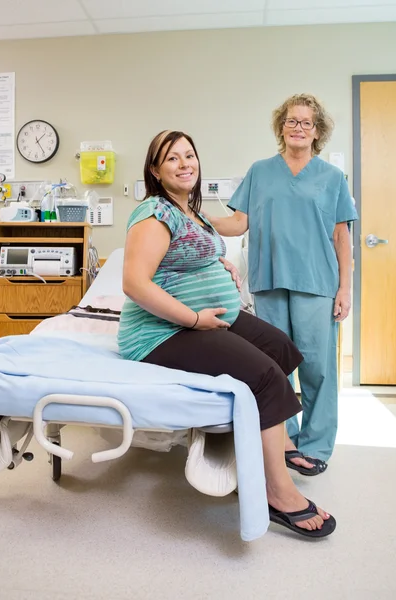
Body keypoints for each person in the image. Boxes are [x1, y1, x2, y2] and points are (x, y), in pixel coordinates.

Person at [118, 129, 336, 538]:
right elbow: (135, 283)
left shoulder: (190, 210)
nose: (185, 164)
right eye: (172, 159)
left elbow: (192, 253)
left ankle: (279, 445)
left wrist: (219, 264)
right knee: (266, 375)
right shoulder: (154, 214)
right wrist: (194, 319)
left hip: (212, 315)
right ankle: (277, 492)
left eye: (189, 155)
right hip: (163, 331)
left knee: (281, 348)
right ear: (155, 170)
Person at [207, 94, 358, 474]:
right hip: (269, 279)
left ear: (317, 131)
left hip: (317, 282)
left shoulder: (332, 178)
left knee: (317, 369)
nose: (298, 127)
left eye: (306, 122)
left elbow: (342, 237)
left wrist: (346, 288)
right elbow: (239, 223)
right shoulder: (260, 171)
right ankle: (285, 441)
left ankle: (317, 447)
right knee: (275, 366)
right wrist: (194, 217)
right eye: (291, 121)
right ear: (281, 127)